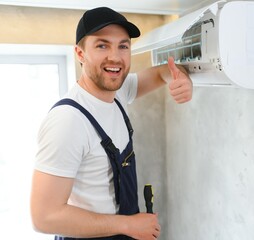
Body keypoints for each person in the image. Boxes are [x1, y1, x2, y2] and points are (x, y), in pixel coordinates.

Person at [30, 7, 192, 240]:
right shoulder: (67, 121)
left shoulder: (117, 93)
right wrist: (128, 226)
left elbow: (161, 74)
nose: (115, 57)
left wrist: (182, 80)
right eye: (102, 45)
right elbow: (44, 217)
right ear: (80, 53)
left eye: (123, 46)